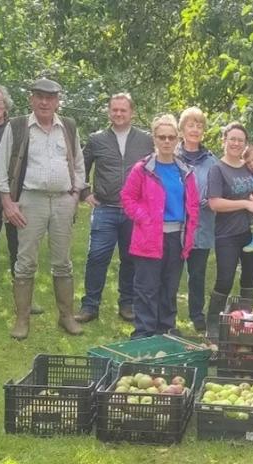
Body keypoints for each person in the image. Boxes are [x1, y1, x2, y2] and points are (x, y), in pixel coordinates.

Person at [0, 78, 87, 340]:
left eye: (50, 97)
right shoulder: (18, 126)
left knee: (63, 262)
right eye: (40, 97)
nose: (45, 102)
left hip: (63, 201)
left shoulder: (68, 126)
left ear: (57, 101)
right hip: (30, 200)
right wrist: (7, 202)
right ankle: (22, 319)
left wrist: (76, 194)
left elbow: (78, 163)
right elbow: (0, 168)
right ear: (31, 99)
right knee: (25, 261)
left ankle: (66, 316)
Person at [75, 93, 154, 324]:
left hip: (134, 210)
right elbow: (81, 166)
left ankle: (127, 303)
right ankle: (90, 305)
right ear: (109, 111)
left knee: (131, 259)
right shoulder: (97, 139)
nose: (119, 114)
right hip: (105, 208)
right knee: (97, 256)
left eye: (123, 110)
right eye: (114, 110)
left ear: (132, 112)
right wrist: (84, 192)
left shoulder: (146, 140)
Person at [120, 114, 199, 338]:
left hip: (177, 239)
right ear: (154, 139)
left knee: (169, 288)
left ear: (177, 139)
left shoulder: (185, 171)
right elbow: (127, 198)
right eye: (161, 137)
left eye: (171, 137)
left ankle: (165, 330)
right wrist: (145, 218)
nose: (166, 141)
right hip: (148, 237)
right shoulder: (143, 169)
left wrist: (190, 232)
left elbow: (192, 205)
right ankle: (144, 332)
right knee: (146, 288)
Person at [0, 83, 44, 317]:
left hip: (17, 198)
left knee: (21, 249)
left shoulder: (18, 128)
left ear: (6, 104)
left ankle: (24, 297)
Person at [204, 122, 253, 338]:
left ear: (245, 144)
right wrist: (244, 204)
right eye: (232, 139)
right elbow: (214, 203)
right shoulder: (217, 169)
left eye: (240, 140)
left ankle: (242, 324)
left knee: (249, 281)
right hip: (228, 234)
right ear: (224, 141)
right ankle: (212, 325)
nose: (236, 143)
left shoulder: (249, 167)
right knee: (225, 279)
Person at [176, 107, 218, 332]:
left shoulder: (212, 161)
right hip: (174, 224)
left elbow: (219, 189)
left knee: (197, 273)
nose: (195, 129)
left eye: (199, 125)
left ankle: (196, 313)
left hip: (202, 225)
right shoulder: (171, 155)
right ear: (182, 129)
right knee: (171, 271)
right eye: (191, 125)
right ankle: (166, 313)